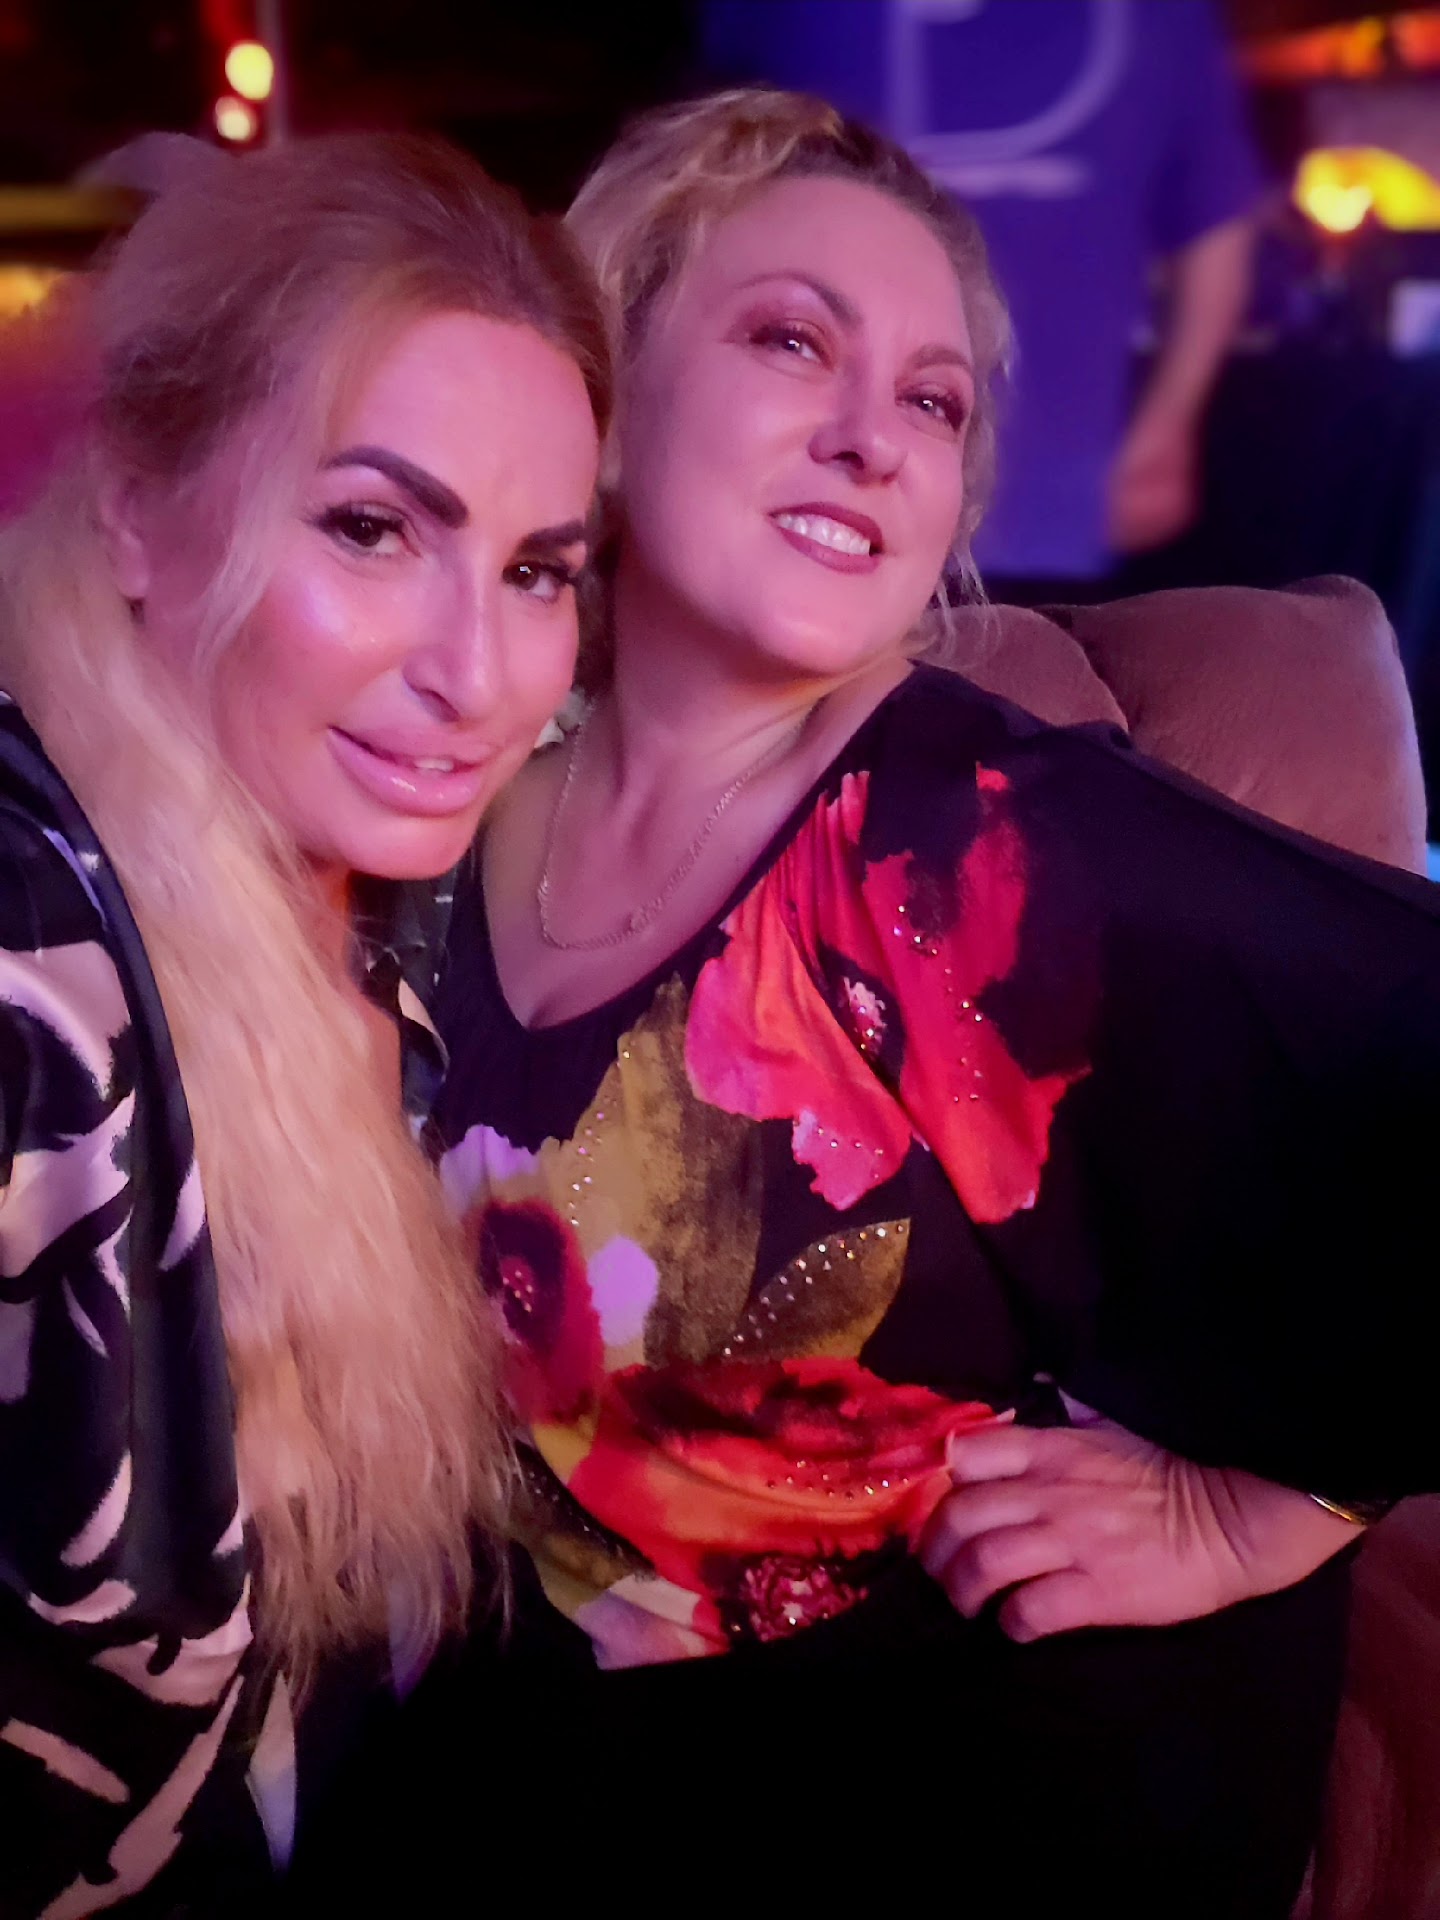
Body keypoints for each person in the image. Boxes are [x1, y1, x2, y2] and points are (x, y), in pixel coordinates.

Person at [424, 90, 1440, 1912]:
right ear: (601, 387)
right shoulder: (452, 795)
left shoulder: (960, 840)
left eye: (934, 401)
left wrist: (1264, 1511)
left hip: (941, 1812)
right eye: (790, 340)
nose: (872, 438)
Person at [0, 130, 606, 1913]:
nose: (476, 680)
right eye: (370, 528)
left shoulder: (412, 924)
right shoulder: (35, 978)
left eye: (539, 569)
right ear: (130, 506)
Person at [700, 0, 1262, 599]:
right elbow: (705, 165)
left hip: (1065, 502)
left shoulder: (1159, 15)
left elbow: (1213, 220)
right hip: (800, 484)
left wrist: (1171, 419)